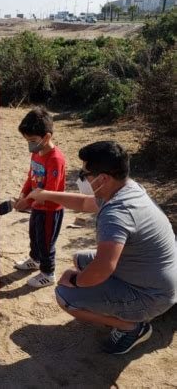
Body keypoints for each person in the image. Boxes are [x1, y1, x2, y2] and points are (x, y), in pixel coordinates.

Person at [27, 141, 177, 354]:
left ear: (103, 178)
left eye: (85, 173)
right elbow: (83, 203)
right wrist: (46, 194)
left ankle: (132, 327)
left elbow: (104, 268)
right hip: (157, 276)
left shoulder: (116, 214)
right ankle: (118, 307)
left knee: (65, 296)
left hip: (153, 295)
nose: (82, 177)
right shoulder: (126, 189)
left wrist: (75, 281)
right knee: (80, 259)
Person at [13, 107, 66, 288]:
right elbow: (31, 177)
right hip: (36, 206)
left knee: (46, 242)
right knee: (34, 236)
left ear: (47, 137)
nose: (30, 144)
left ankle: (48, 272)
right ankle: (34, 260)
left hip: (50, 209)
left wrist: (26, 202)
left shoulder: (55, 159)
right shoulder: (36, 152)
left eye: (33, 140)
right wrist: (23, 194)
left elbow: (49, 192)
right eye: (27, 140)